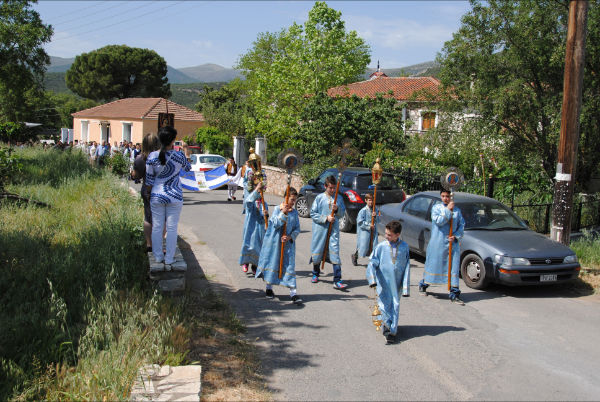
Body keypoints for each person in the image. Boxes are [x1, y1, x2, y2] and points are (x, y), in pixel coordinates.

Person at [145, 126, 191, 267]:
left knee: (157, 227)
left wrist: (149, 194)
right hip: (174, 195)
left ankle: (158, 257)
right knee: (171, 228)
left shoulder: (152, 156)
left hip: (157, 195)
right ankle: (170, 258)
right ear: (173, 140)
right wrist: (185, 150)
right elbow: (188, 168)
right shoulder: (179, 156)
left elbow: (149, 180)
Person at [255, 187, 302, 304]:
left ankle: (293, 293)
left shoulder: (294, 212)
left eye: (295, 200)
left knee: (289, 267)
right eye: (292, 199)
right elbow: (275, 224)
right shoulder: (277, 209)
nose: (293, 202)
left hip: (288, 246)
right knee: (273, 263)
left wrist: (289, 237)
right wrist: (283, 213)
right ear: (286, 198)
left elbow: (297, 228)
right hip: (275, 244)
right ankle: (269, 288)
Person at [366, 220, 411, 344]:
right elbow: (372, 262)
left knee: (395, 305)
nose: (386, 236)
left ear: (397, 234)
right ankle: (387, 331)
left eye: (389, 235)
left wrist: (405, 287)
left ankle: (393, 328)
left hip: (397, 283)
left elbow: (407, 266)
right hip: (383, 283)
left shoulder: (404, 247)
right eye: (386, 233)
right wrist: (372, 279)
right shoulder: (381, 246)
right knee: (384, 305)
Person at [419, 189, 466, 305]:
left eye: (447, 196)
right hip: (438, 242)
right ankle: (424, 284)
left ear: (451, 197)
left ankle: (454, 293)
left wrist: (455, 236)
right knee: (434, 265)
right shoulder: (436, 208)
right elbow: (439, 221)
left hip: (452, 244)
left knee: (453, 268)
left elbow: (461, 225)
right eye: (443, 196)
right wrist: (448, 210)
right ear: (440, 197)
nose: (445, 198)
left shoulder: (457, 210)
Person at [309, 175, 348, 290]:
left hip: (333, 230)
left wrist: (337, 210)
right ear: (325, 186)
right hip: (320, 230)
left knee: (335, 252)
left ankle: (337, 280)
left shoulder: (338, 198)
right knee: (318, 251)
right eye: (330, 187)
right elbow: (313, 213)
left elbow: (342, 213)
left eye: (334, 188)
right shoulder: (319, 198)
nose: (332, 190)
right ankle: (315, 273)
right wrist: (326, 218)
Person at [132, 133, 160, 252]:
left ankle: (149, 244)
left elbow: (136, 176)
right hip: (160, 189)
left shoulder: (140, 159)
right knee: (160, 217)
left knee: (148, 217)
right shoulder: (162, 157)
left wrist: (133, 173)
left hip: (147, 189)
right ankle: (159, 243)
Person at [238, 170, 268, 274]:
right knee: (248, 243)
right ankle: (246, 262)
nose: (259, 192)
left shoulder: (264, 203)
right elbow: (248, 203)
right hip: (250, 226)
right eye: (258, 190)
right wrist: (256, 190)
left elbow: (264, 219)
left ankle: (255, 265)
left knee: (257, 246)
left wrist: (265, 215)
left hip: (259, 228)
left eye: (261, 191)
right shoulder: (251, 199)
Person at [352, 193, 379, 266]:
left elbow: (378, 220)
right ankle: (355, 256)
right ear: (366, 200)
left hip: (373, 232)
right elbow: (360, 222)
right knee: (363, 246)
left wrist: (375, 216)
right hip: (365, 232)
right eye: (369, 200)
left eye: (372, 200)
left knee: (373, 246)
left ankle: (373, 262)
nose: (371, 202)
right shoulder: (363, 211)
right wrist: (368, 225)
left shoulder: (375, 210)